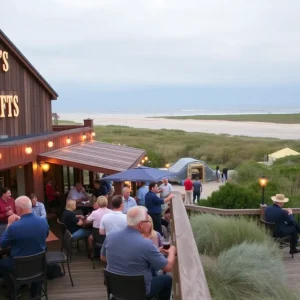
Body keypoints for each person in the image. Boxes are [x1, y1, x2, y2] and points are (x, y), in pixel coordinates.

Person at [101, 206, 176, 300]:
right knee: (167, 279)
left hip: (116, 290)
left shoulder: (111, 236)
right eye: (147, 221)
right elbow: (168, 267)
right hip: (139, 292)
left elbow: (103, 258)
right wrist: (172, 251)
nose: (149, 223)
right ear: (141, 224)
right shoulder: (146, 244)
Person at [0, 196, 49, 298]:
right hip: (39, 265)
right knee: (35, 254)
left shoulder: (14, 227)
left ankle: (13, 291)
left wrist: (9, 224)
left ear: (19, 209)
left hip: (19, 267)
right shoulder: (43, 221)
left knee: (2, 262)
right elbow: (46, 235)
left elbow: (3, 244)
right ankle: (36, 293)